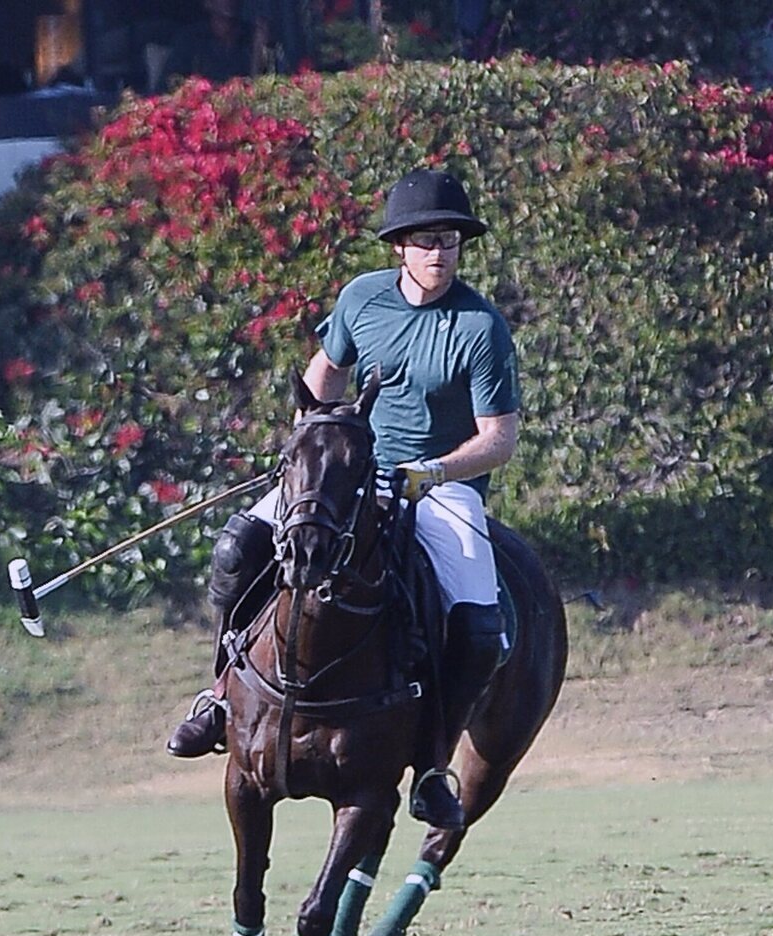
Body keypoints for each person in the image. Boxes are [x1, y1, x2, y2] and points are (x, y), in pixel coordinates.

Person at [167, 168, 521, 831]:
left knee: (480, 627)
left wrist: (435, 472)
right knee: (237, 545)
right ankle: (217, 698)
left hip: (439, 487)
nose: (438, 253)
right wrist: (311, 452)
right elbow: (320, 381)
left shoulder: (480, 326)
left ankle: (433, 768)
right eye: (424, 241)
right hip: (347, 476)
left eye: (448, 241)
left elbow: (498, 439)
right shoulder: (362, 300)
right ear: (399, 248)